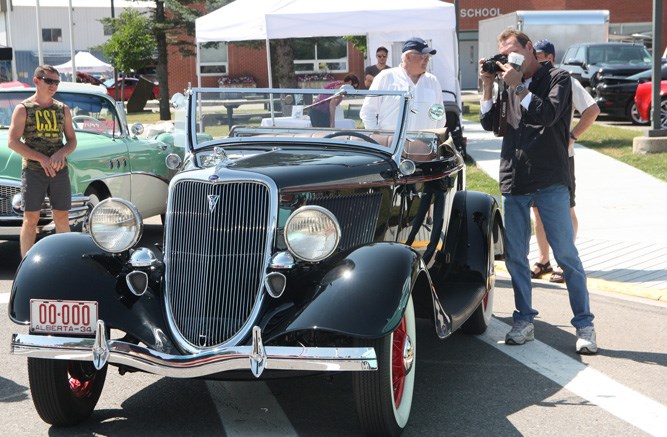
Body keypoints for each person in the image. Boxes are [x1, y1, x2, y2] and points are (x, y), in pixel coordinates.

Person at [479, 29, 597, 354]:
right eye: (503, 55)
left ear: (530, 49)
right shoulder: (507, 81)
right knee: (516, 257)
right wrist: (490, 84)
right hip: (514, 178)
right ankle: (524, 320)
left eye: (513, 53)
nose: (508, 60)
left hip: (549, 179)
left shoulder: (559, 78)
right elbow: (491, 124)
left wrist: (517, 85)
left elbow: (546, 114)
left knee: (566, 256)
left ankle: (585, 325)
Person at [530, 39, 601, 283]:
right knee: (538, 211)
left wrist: (573, 136)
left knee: (564, 208)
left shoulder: (566, 80)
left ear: (548, 57)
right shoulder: (530, 82)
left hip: (561, 157)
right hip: (534, 157)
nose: (532, 58)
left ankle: (565, 261)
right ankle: (543, 259)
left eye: (536, 54)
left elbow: (592, 110)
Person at [8, 65, 77, 257]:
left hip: (59, 170)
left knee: (62, 217)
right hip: (33, 170)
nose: (53, 85)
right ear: (37, 81)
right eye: (49, 81)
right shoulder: (23, 109)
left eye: (56, 82)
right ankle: (26, 264)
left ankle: (65, 259)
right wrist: (42, 159)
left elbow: (72, 140)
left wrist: (60, 154)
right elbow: (13, 142)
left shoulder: (63, 109)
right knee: (31, 218)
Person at [360, 37, 444, 131]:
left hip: (424, 144)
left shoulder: (433, 81)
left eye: (428, 57)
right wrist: (378, 138)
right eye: (423, 56)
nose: (426, 60)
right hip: (391, 144)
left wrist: (433, 138)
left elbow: (439, 115)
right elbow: (368, 112)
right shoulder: (385, 77)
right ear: (408, 57)